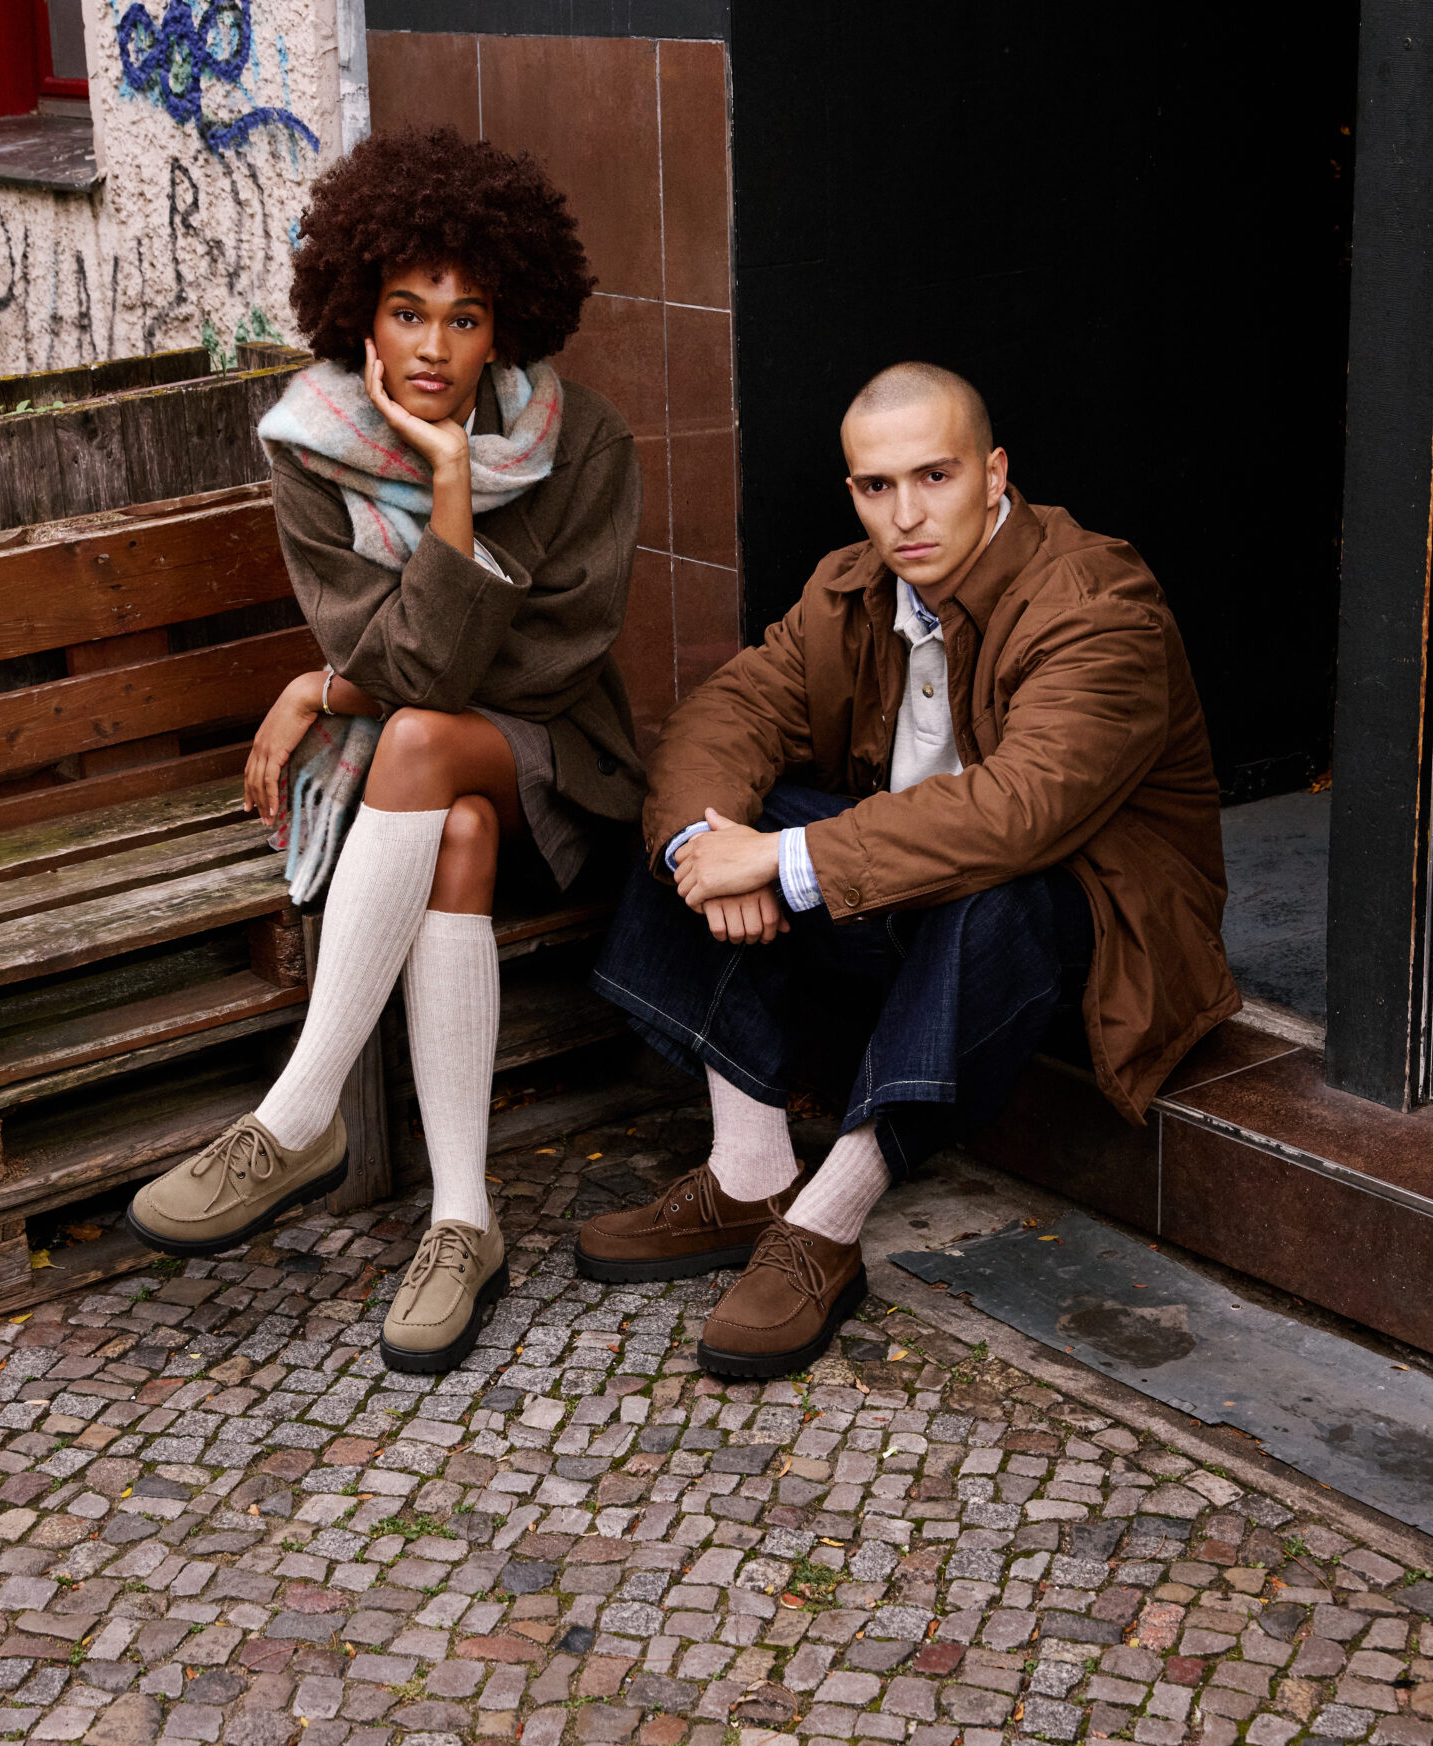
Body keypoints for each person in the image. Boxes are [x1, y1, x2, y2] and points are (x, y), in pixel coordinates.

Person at [582, 362, 1237, 1379]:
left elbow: (1020, 811)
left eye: (935, 475)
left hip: (1099, 929)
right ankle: (749, 1172)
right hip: (910, 898)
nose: (906, 514)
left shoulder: (1097, 601)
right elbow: (728, 712)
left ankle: (825, 1223)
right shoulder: (849, 591)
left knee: (993, 886)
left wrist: (786, 859)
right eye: (877, 486)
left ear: (994, 473)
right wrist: (717, 856)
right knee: (699, 826)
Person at [127, 125, 644, 1377]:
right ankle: (465, 1221)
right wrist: (364, 665)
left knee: (419, 736)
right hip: (442, 790)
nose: (432, 346)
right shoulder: (313, 448)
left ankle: (299, 1112)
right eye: (407, 311)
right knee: (447, 815)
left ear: (505, 326)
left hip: (561, 761)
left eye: (465, 319)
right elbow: (403, 663)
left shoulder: (586, 443)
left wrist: (445, 497)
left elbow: (523, 669)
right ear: (359, 309)